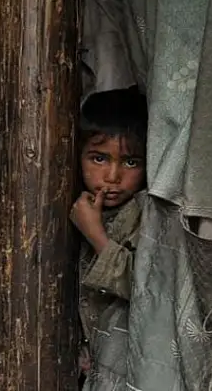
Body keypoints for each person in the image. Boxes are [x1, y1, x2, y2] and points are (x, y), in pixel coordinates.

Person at [70, 86, 147, 390]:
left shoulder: (148, 215)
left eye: (131, 162)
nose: (113, 176)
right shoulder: (69, 204)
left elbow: (146, 290)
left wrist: (96, 235)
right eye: (99, 158)